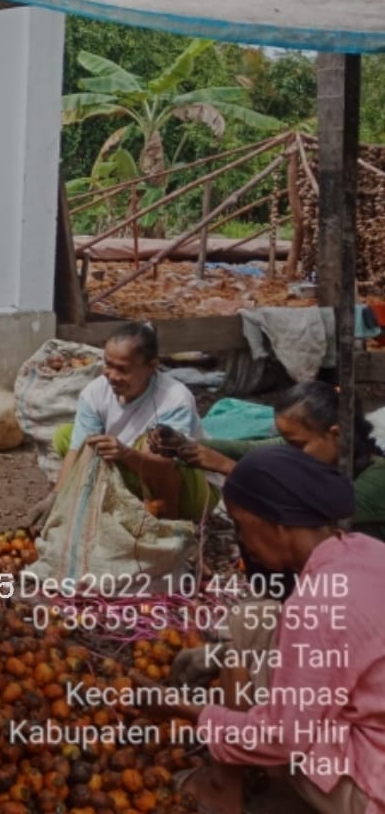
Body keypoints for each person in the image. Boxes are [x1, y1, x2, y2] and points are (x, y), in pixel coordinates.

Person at [145, 446, 385, 814]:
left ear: (277, 523)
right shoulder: (365, 550)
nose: (243, 541)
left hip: (374, 786)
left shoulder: (315, 605)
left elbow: (283, 737)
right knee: (250, 620)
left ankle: (242, 791)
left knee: (277, 720)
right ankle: (230, 783)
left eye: (242, 524)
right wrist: (224, 655)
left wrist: (185, 709)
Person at [34, 321, 214, 524]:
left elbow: (166, 466)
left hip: (186, 490)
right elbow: (77, 450)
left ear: (151, 367)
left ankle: (167, 528)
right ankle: (116, 506)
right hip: (129, 472)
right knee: (67, 436)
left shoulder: (174, 398)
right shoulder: (94, 392)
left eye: (122, 369)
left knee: (151, 442)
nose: (112, 375)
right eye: (108, 364)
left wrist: (126, 453)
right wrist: (57, 496)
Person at [178, 380, 385, 541]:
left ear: (336, 434)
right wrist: (182, 441)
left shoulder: (378, 475)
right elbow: (245, 449)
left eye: (297, 444)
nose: (290, 452)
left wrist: (229, 468)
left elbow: (311, 505)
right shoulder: (303, 447)